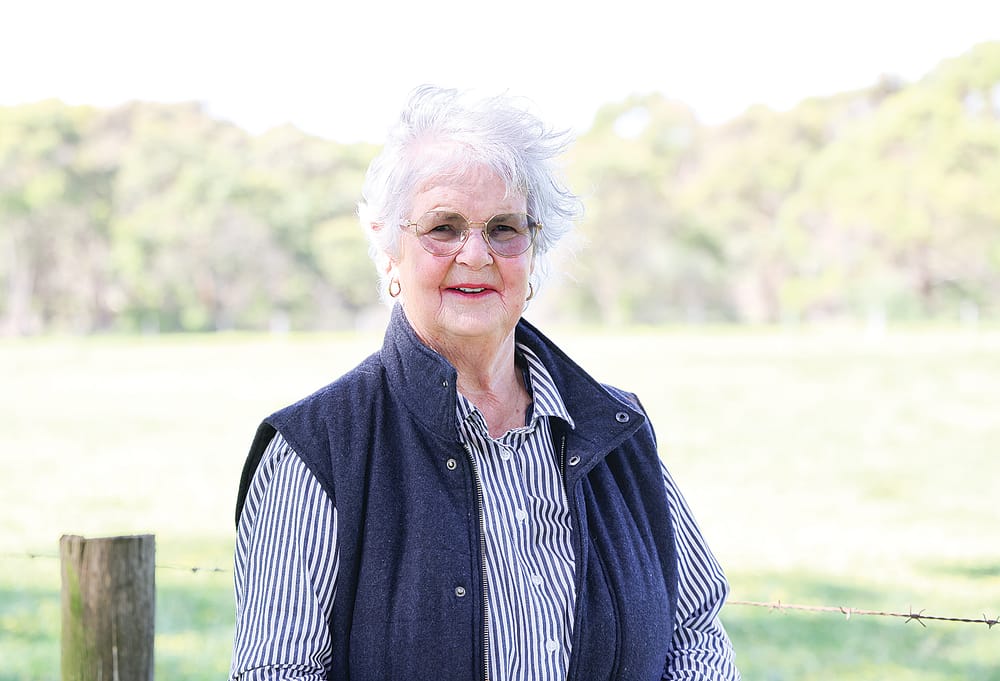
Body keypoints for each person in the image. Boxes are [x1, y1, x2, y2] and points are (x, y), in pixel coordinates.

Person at [230, 85, 739, 681]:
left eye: (503, 229)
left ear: (533, 250)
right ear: (389, 250)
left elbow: (695, 631)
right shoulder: (316, 450)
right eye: (443, 228)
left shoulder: (614, 432)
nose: (476, 254)